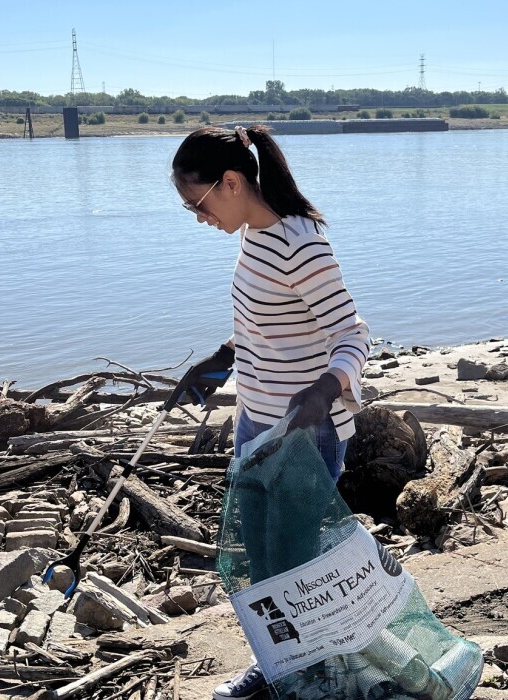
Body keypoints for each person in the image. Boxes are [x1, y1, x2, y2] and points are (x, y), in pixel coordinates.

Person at [167, 124, 370, 699]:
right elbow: (268, 318)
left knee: (296, 563)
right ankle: (281, 664)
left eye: (198, 204)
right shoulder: (252, 237)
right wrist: (223, 356)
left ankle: (312, 673)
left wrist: (325, 390)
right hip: (255, 421)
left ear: (231, 182)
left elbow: (353, 335)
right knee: (260, 554)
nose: (198, 218)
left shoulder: (302, 245)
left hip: (305, 432)